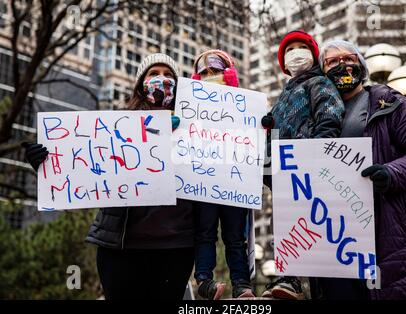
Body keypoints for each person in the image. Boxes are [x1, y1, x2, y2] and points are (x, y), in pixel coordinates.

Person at [23, 53, 195, 300]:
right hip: (121, 248)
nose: (162, 79)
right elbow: (81, 166)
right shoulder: (113, 127)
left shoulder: (195, 130)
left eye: (169, 75)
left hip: (175, 249)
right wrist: (45, 162)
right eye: (154, 73)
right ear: (141, 84)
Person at [316, 39, 406, 300]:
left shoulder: (391, 104)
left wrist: (391, 173)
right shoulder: (312, 119)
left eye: (349, 58)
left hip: (394, 241)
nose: (342, 64)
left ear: (361, 67)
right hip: (333, 246)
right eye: (332, 61)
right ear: (321, 73)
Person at [260, 30, 345, 300]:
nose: (296, 52)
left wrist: (317, 154)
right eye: (289, 49)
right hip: (283, 173)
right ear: (283, 62)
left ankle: (310, 278)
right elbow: (271, 136)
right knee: (284, 224)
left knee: (313, 222)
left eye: (301, 47)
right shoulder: (282, 97)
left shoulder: (319, 83)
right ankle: (289, 279)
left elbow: (330, 117)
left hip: (310, 167)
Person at [190, 49, 255, 300]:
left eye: (215, 71)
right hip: (203, 180)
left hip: (233, 180)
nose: (210, 76)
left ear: (227, 73)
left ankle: (241, 284)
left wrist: (264, 124)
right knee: (205, 232)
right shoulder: (190, 107)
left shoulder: (244, 105)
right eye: (204, 72)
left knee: (235, 236)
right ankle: (204, 281)